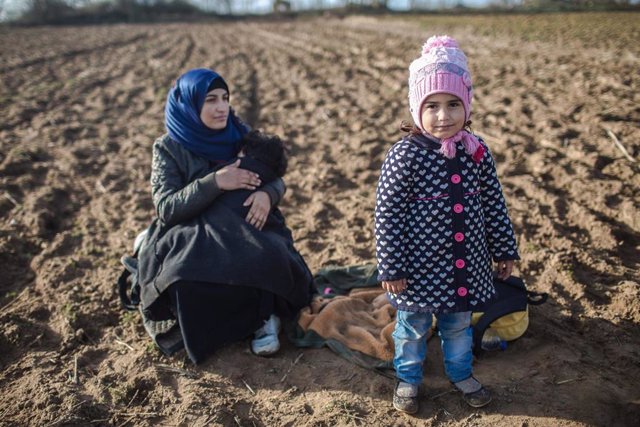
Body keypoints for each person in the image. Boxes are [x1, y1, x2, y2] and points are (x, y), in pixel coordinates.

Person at [374, 35, 520, 414]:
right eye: (433, 106)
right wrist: (392, 267)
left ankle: (460, 373)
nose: (444, 116)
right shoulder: (405, 156)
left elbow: (493, 203)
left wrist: (504, 249)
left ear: (466, 106)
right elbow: (387, 216)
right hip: (417, 270)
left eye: (453, 104)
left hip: (464, 267)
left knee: (458, 325)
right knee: (412, 329)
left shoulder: (477, 151)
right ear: (416, 108)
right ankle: (408, 378)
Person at [136, 68, 313, 363]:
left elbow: (274, 174)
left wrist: (268, 195)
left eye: (225, 98)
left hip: (243, 223)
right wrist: (216, 181)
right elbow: (166, 207)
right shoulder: (168, 147)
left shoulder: (238, 132)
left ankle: (264, 318)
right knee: (186, 272)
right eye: (210, 100)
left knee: (266, 255)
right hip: (192, 227)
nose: (221, 108)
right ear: (190, 105)